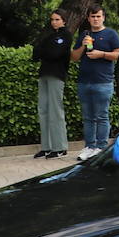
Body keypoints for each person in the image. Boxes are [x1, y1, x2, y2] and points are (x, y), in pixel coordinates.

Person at [70, 5, 119, 161]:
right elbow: (74, 57)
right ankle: (89, 147)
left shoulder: (111, 34)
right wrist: (84, 45)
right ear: (88, 18)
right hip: (84, 82)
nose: (95, 19)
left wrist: (102, 54)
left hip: (103, 82)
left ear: (103, 17)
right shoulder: (84, 34)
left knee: (101, 116)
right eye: (93, 17)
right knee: (87, 117)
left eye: (98, 16)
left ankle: (101, 148)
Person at [31, 9, 71, 159]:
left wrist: (45, 49)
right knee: (43, 110)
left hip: (56, 74)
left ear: (64, 21)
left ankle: (60, 147)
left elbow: (55, 54)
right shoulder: (49, 37)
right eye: (52, 19)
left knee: (55, 110)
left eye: (57, 19)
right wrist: (47, 49)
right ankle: (46, 146)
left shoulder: (66, 35)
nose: (54, 22)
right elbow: (35, 53)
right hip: (44, 74)